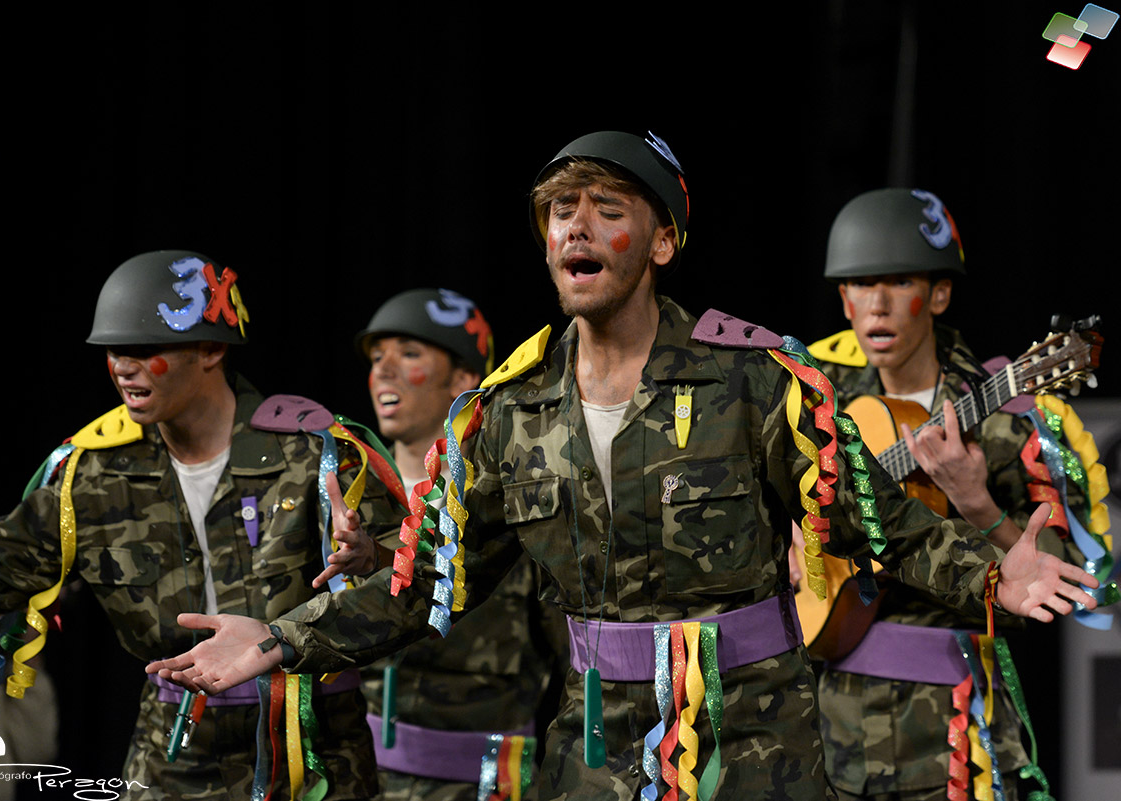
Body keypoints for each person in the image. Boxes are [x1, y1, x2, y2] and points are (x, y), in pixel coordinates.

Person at [147, 135, 1098, 801]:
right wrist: (278, 638)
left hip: (757, 745)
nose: (577, 229)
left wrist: (993, 570)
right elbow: (426, 583)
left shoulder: (756, 379)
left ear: (662, 241)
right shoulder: (506, 412)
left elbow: (867, 519)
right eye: (561, 212)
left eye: (608, 211)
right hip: (595, 748)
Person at [0, 251, 392, 800]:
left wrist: (372, 557)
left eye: (146, 350)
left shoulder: (316, 455)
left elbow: (415, 586)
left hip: (312, 755)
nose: (124, 366)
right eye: (115, 351)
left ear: (211, 349)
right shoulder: (94, 473)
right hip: (172, 758)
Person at [805, 188, 1112, 801]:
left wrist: (977, 502)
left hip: (955, 734)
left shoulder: (1017, 419)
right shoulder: (819, 403)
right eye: (861, 285)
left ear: (940, 294)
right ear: (843, 299)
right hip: (830, 727)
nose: (877, 305)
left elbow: (1081, 583)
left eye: (900, 282)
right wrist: (797, 540)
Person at [354, 287, 564, 800]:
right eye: (377, 357)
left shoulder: (507, 498)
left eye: (409, 354)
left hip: (487, 783)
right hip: (366, 781)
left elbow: (573, 654)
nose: (384, 371)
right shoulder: (350, 494)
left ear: (464, 378)